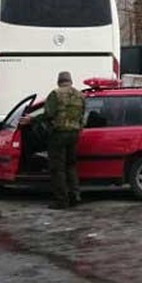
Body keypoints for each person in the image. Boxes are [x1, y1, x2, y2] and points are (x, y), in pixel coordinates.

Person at [40, 71, 86, 209]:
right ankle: (75, 196)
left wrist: (32, 120)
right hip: (74, 134)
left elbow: (48, 114)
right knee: (71, 166)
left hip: (59, 134)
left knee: (58, 168)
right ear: (70, 81)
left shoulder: (56, 94)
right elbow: (82, 116)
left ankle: (62, 200)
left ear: (59, 81)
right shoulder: (80, 95)